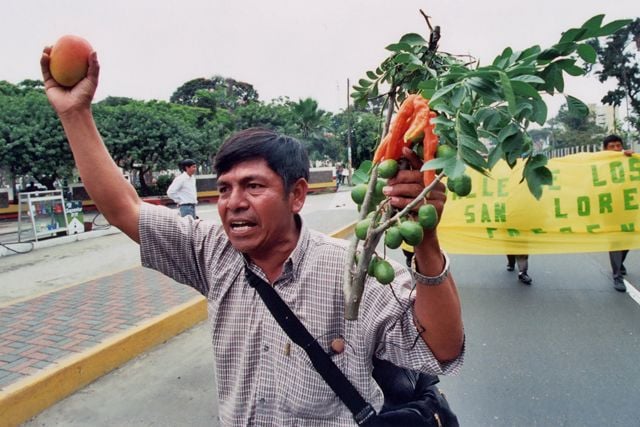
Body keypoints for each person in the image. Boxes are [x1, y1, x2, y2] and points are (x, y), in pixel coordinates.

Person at [40, 47, 464, 426]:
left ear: (297, 194)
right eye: (224, 189)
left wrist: (426, 242)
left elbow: (441, 349)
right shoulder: (210, 252)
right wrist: (74, 113)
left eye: (253, 186)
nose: (233, 202)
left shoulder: (352, 268)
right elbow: (123, 209)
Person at [602, 134, 634, 292]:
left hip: (629, 208)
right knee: (615, 241)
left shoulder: (630, 160)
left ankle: (620, 263)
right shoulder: (598, 164)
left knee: (627, 240)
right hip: (610, 209)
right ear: (605, 149)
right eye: (612, 146)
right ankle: (617, 277)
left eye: (618, 145)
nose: (616, 149)